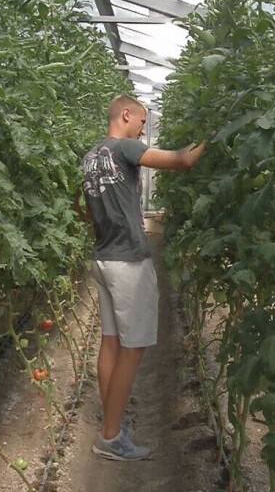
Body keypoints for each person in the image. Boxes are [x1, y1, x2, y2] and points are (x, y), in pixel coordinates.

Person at [80, 94, 207, 461]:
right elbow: (182, 161)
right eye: (142, 123)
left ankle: (112, 424)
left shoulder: (91, 157)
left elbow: (84, 209)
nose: (143, 131)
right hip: (128, 262)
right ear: (125, 115)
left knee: (111, 342)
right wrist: (215, 134)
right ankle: (110, 437)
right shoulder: (125, 148)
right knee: (133, 348)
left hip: (103, 258)